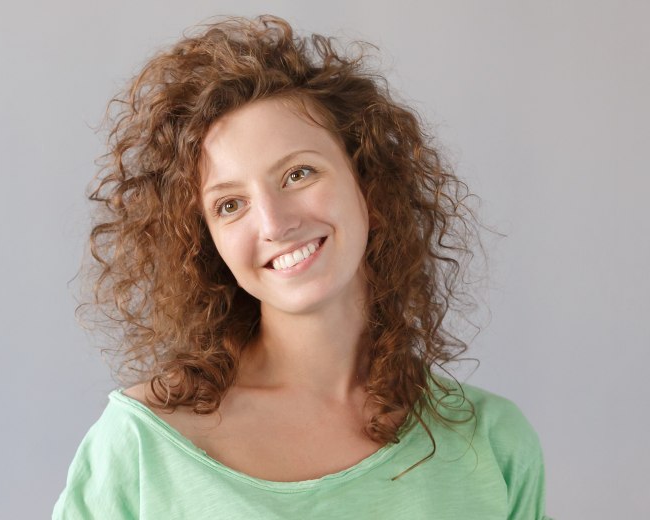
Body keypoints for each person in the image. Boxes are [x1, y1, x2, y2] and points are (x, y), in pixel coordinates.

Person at [53, 15, 551, 519]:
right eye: (230, 204)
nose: (274, 222)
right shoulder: (140, 446)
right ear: (208, 246)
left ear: (371, 188)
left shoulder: (491, 444)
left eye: (298, 173)